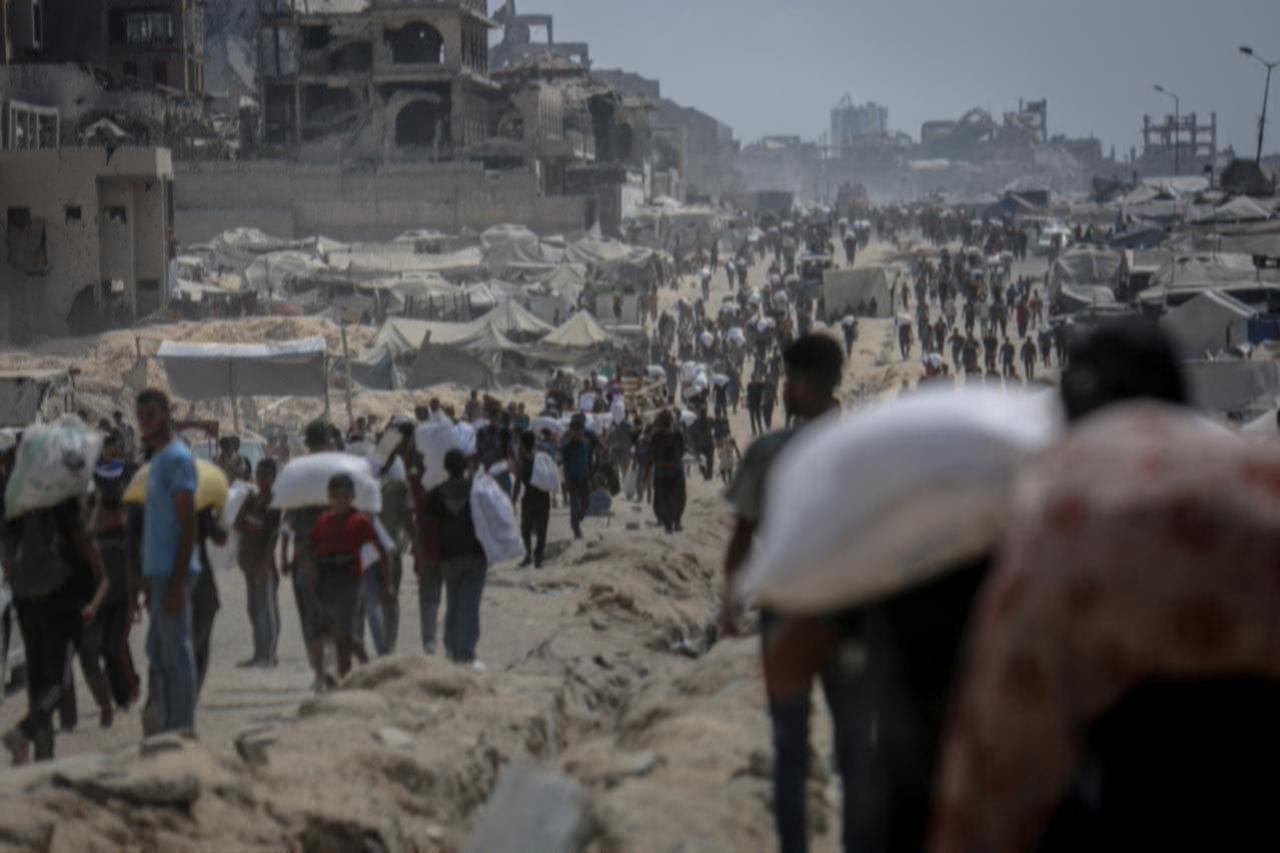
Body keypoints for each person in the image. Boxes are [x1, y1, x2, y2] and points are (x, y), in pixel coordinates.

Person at [722, 334, 864, 853]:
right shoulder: (864, 447)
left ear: (799, 384)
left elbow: (741, 538)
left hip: (787, 612)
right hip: (851, 614)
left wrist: (729, 605)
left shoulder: (769, 451)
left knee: (789, 747)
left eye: (787, 378)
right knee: (853, 745)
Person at [136, 389, 199, 735]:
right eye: (141, 415)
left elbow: (187, 522)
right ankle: (171, 725)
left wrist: (175, 582)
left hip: (173, 574)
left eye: (151, 414)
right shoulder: (157, 460)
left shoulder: (176, 458)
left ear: (166, 414)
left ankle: (182, 727)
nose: (146, 421)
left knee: (176, 651)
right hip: (159, 574)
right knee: (159, 653)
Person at [308, 473, 390, 679]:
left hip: (350, 582)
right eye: (335, 496)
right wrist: (313, 576)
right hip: (326, 582)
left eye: (345, 496)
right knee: (336, 632)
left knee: (343, 633)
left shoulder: (359, 521)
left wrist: (386, 584)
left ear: (352, 497)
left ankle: (344, 676)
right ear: (329, 498)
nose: (340, 500)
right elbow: (311, 548)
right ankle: (367, 666)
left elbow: (380, 552)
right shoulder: (323, 521)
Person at [419, 450, 489, 669]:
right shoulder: (476, 490)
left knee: (453, 601)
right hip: (475, 553)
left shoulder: (437, 493)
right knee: (470, 602)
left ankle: (451, 647)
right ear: (466, 467)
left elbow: (426, 526)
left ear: (446, 468)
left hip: (448, 554)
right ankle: (465, 652)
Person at [281, 421, 336, 691]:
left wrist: (282, 555)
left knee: (310, 620)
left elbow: (288, 521)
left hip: (306, 557)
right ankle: (334, 668)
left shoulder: (298, 473)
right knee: (339, 613)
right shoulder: (341, 469)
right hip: (339, 554)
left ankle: (318, 675)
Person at [233, 458, 282, 668]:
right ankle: (258, 653)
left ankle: (268, 656)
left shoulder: (274, 503)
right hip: (249, 564)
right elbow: (237, 525)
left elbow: (273, 537)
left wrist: (264, 566)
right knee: (253, 611)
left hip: (264, 566)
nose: (262, 478)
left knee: (266, 612)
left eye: (266, 474)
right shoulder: (252, 499)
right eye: (259, 474)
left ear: (273, 477)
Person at [644, 411, 686, 534]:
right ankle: (672, 523)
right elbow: (682, 452)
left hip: (665, 473)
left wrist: (646, 473)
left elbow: (649, 456)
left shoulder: (657, 437)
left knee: (670, 499)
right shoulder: (675, 435)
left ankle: (673, 523)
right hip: (670, 473)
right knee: (674, 498)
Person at [516, 432, 551, 569]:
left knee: (526, 529)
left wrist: (513, 499)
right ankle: (538, 557)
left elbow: (518, 481)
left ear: (523, 445)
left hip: (529, 500)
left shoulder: (524, 461)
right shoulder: (541, 457)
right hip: (543, 498)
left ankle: (529, 555)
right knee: (541, 530)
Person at [560, 415, 593, 540]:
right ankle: (576, 529)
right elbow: (564, 466)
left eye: (580, 430)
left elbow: (588, 462)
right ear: (571, 431)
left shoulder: (586, 444)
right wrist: (566, 482)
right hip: (572, 480)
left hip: (584, 479)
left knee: (586, 504)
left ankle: (577, 519)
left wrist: (590, 478)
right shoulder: (566, 448)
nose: (578, 433)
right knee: (574, 505)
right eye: (576, 431)